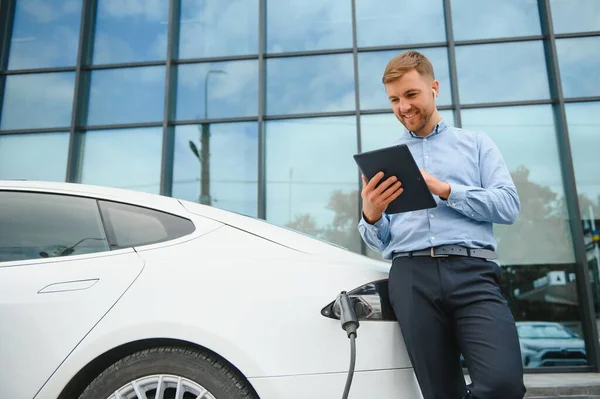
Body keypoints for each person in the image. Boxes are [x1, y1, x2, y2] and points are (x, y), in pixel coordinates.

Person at [357, 51, 526, 399]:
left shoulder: (477, 144)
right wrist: (370, 214)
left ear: (433, 88)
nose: (403, 107)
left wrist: (443, 188)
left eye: (411, 94)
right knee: (439, 392)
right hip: (411, 277)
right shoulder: (384, 160)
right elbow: (378, 239)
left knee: (503, 385)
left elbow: (508, 206)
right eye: (394, 99)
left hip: (473, 273)